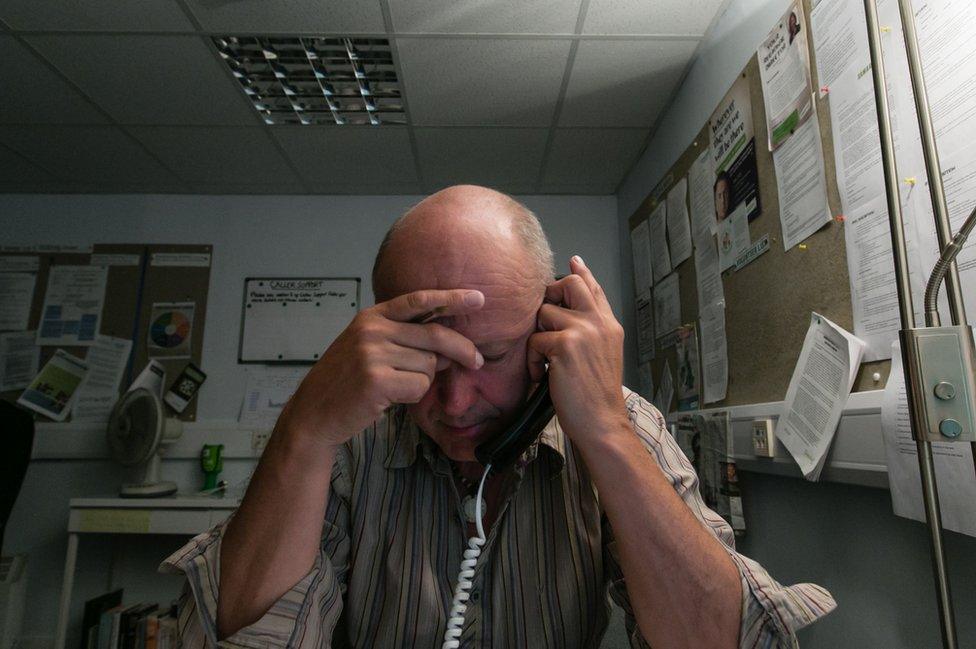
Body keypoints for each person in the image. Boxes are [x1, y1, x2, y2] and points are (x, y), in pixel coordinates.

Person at [162, 185, 835, 647]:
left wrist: (604, 431)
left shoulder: (615, 419)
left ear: (551, 325)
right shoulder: (347, 436)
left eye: (490, 354)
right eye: (427, 357)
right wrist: (303, 430)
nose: (455, 404)